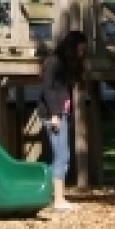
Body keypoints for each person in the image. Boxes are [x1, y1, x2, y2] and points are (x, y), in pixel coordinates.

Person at [38, 29, 88, 211]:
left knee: (62, 155)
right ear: (71, 47)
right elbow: (47, 90)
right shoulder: (53, 63)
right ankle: (57, 199)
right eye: (80, 49)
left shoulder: (65, 64)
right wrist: (54, 114)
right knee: (61, 155)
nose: (81, 53)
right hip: (53, 114)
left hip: (61, 113)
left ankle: (56, 197)